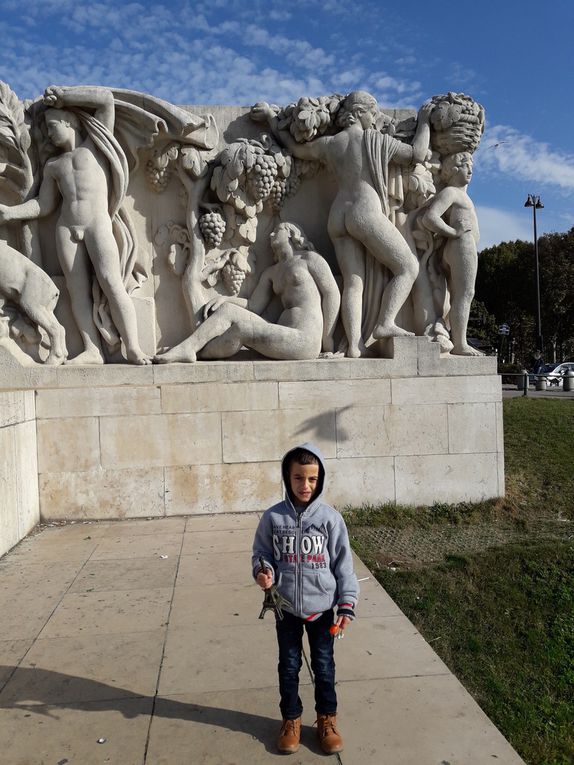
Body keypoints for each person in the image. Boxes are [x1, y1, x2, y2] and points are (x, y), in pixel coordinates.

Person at [253, 92, 432, 357]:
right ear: (361, 112)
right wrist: (425, 122)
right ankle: (384, 323)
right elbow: (417, 154)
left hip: (338, 216)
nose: (375, 119)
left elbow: (295, 148)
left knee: (353, 282)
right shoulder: (376, 140)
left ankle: (355, 346)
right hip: (364, 210)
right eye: (373, 113)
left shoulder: (330, 143)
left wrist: (270, 119)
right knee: (408, 267)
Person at [0, 86, 150, 365]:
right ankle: (92, 350)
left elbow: (105, 101)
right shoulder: (53, 165)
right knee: (76, 290)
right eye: (45, 127)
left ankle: (133, 347)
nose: (48, 132)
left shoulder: (94, 147)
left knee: (111, 283)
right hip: (67, 228)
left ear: (70, 122)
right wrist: (11, 213)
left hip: (97, 224)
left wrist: (65, 96)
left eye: (52, 125)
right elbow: (44, 206)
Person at [252, 443, 359, 755]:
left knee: (324, 666)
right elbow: (261, 554)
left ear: (320, 480)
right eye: (298, 478)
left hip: (323, 609)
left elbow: (343, 565)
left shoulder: (330, 519)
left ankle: (327, 720)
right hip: (285, 608)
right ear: (288, 477)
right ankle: (291, 720)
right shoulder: (273, 517)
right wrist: (263, 572)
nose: (305, 485)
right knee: (288, 666)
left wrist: (346, 603)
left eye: (312, 479)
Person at [154, 222, 340, 363]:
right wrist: (226, 299)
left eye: (278, 230)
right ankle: (190, 348)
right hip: (282, 333)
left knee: (242, 329)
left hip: (304, 339)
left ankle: (191, 350)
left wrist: (327, 339)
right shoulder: (271, 272)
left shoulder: (309, 259)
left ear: (292, 233)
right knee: (227, 310)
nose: (272, 234)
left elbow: (332, 293)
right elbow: (253, 306)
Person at [420, 151, 481, 356]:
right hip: (461, 245)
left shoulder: (461, 194)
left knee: (457, 295)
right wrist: (453, 232)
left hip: (459, 246)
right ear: (453, 170)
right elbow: (430, 218)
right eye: (465, 165)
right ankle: (460, 343)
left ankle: (454, 337)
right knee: (465, 294)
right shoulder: (452, 192)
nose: (471, 170)